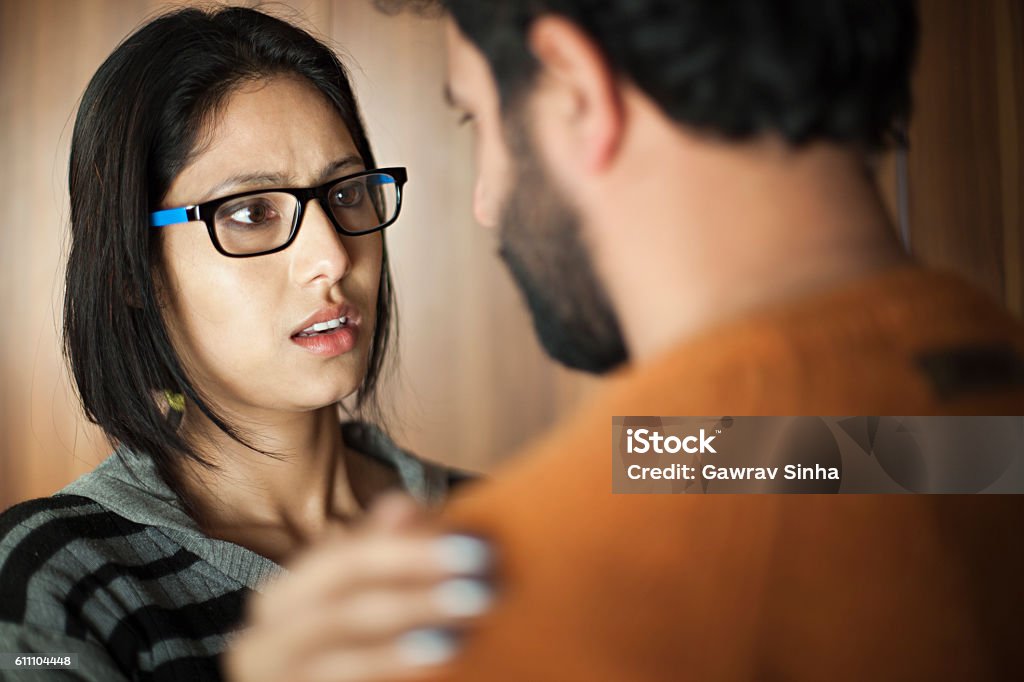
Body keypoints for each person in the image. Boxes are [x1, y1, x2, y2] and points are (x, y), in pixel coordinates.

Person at [231, 0, 1024, 680]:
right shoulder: (962, 433)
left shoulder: (477, 609)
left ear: (577, 92)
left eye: (480, 119)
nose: (484, 202)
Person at [0, 7, 492, 682]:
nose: (332, 256)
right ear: (133, 275)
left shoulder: (503, 529)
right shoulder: (55, 579)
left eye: (346, 193)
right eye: (250, 211)